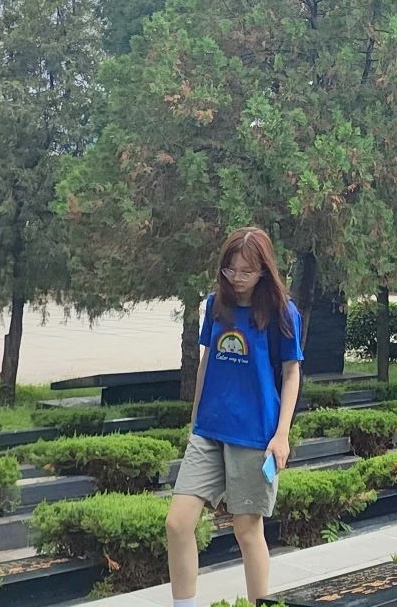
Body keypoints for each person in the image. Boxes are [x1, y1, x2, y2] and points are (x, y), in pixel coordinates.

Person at [166, 227, 303, 607]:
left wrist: (282, 435)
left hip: (255, 434)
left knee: (246, 530)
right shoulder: (216, 304)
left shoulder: (282, 312)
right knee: (177, 523)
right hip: (209, 430)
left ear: (264, 270)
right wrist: (195, 421)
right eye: (230, 270)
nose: (237, 279)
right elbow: (207, 362)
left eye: (246, 271)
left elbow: (291, 373)